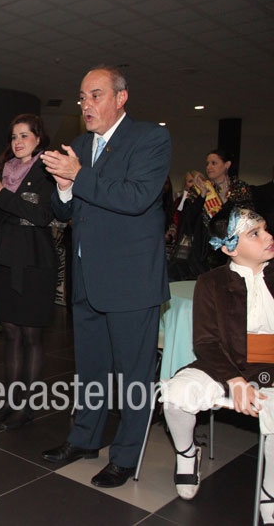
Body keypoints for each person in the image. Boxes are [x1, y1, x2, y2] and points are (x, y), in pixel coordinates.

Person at [39, 65, 172, 488]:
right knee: (90, 369)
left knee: (134, 374)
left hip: (131, 280)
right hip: (87, 277)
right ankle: (84, 439)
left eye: (95, 95)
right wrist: (63, 186)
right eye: (82, 97)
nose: (86, 104)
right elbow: (64, 209)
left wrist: (78, 175)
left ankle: (126, 456)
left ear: (121, 97)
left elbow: (136, 198)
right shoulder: (80, 145)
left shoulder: (149, 139)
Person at [161, 205, 274, 522]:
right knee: (175, 395)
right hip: (222, 363)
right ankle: (187, 453)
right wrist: (235, 380)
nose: (268, 237)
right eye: (255, 233)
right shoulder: (211, 282)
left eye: (265, 229)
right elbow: (206, 342)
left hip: (270, 365)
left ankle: (271, 489)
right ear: (230, 248)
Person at [0, 114, 57, 430]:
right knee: (10, 333)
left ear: (38, 138)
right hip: (6, 260)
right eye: (14, 136)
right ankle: (10, 403)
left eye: (24, 135)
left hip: (34, 262)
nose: (18, 142)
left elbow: (42, 216)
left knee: (31, 335)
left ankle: (27, 407)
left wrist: (4, 194)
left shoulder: (47, 170)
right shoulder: (4, 170)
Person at [175, 150, 254, 278]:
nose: (209, 167)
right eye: (207, 164)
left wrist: (225, 202)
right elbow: (187, 220)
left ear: (227, 165)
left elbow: (248, 217)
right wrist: (202, 196)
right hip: (205, 249)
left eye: (214, 163)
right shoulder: (200, 188)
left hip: (234, 246)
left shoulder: (239, 187)